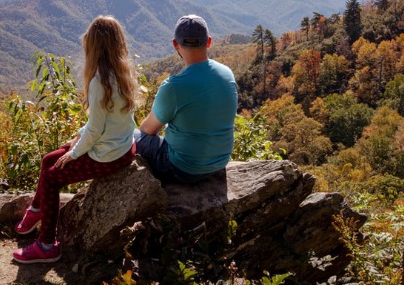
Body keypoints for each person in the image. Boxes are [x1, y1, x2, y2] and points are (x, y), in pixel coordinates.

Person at [12, 15, 138, 264]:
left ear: (93, 47)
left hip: (108, 155)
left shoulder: (99, 82)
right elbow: (102, 123)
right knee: (49, 159)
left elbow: (96, 130)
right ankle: (37, 211)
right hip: (123, 145)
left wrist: (75, 152)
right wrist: (77, 137)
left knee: (51, 177)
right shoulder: (122, 72)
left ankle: (47, 245)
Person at [135, 14, 238, 183]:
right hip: (219, 163)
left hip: (183, 169)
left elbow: (148, 130)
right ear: (209, 41)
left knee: (130, 138)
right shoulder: (227, 74)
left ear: (175, 44)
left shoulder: (173, 87)